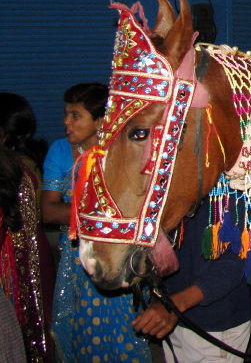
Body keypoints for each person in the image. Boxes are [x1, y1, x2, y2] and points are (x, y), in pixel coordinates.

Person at [41, 83, 152, 363]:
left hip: (120, 256)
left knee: (124, 334)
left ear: (101, 120)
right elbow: (50, 212)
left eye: (75, 115)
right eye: (66, 114)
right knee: (82, 334)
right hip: (77, 261)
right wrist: (105, 211)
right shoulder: (60, 151)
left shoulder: (125, 152)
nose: (66, 122)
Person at [132, 194, 251, 363]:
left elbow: (237, 263)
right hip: (174, 314)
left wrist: (175, 305)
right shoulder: (175, 183)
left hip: (214, 324)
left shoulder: (231, 188)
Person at [0, 94, 54, 362]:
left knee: (26, 322)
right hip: (32, 248)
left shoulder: (14, 167)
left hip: (18, 254)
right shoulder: (25, 159)